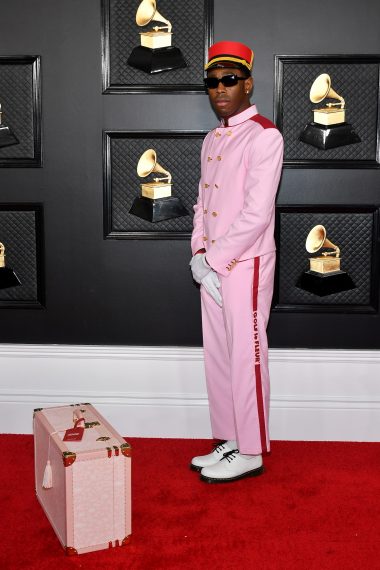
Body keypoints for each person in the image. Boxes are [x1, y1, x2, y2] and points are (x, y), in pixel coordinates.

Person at [189, 41, 283, 483]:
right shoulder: (212, 137)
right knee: (219, 356)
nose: (219, 88)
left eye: (229, 79)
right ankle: (229, 438)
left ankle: (252, 450)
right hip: (212, 266)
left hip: (245, 266)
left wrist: (216, 260)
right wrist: (197, 255)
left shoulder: (265, 134)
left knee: (247, 356)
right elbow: (201, 205)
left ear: (247, 82)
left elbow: (256, 214)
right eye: (212, 81)